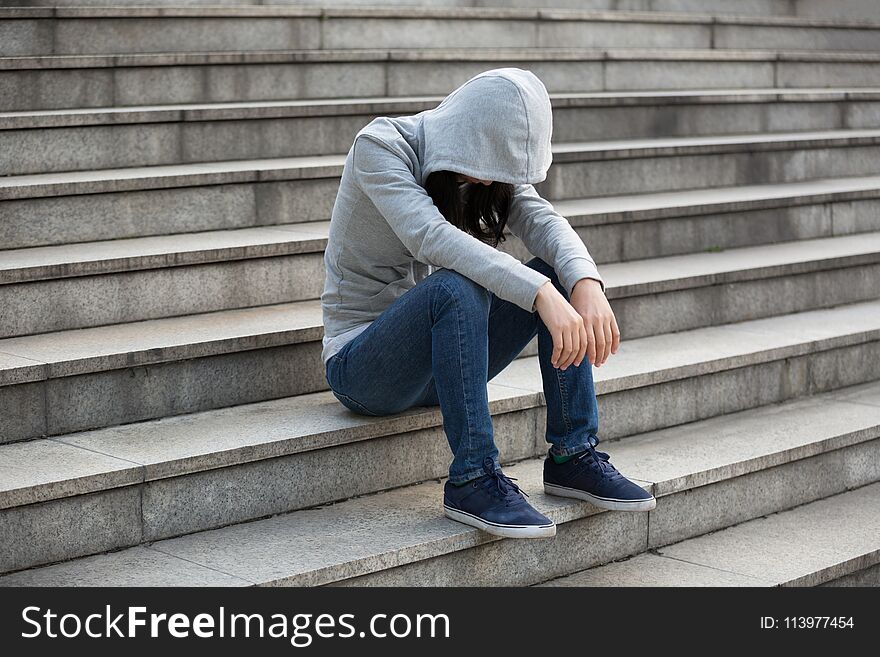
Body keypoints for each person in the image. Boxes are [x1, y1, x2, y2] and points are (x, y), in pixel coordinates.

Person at [321, 67, 655, 540]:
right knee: (455, 287)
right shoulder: (380, 147)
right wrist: (540, 296)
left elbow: (544, 221)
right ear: (468, 134)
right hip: (362, 367)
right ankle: (473, 478)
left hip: (441, 365)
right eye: (487, 166)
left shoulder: (481, 170)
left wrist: (584, 282)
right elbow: (432, 237)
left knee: (557, 271)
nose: (487, 182)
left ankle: (572, 455)